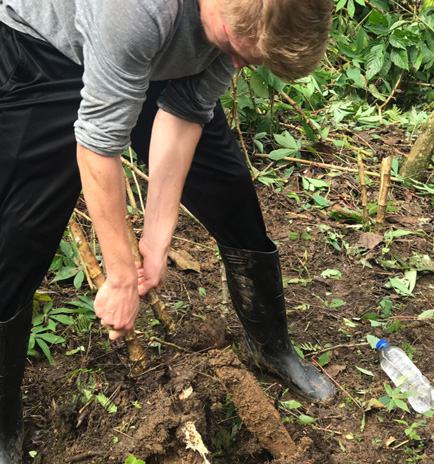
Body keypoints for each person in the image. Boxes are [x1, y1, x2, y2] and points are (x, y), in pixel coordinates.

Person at [0, 0, 334, 461]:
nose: (237, 65)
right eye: (238, 51)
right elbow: (98, 144)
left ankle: (271, 346)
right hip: (45, 49)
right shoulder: (137, 9)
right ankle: (3, 426)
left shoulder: (238, 28)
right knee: (17, 236)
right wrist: (120, 276)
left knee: (230, 191)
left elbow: (186, 110)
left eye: (250, 61)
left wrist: (157, 236)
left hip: (157, 53)